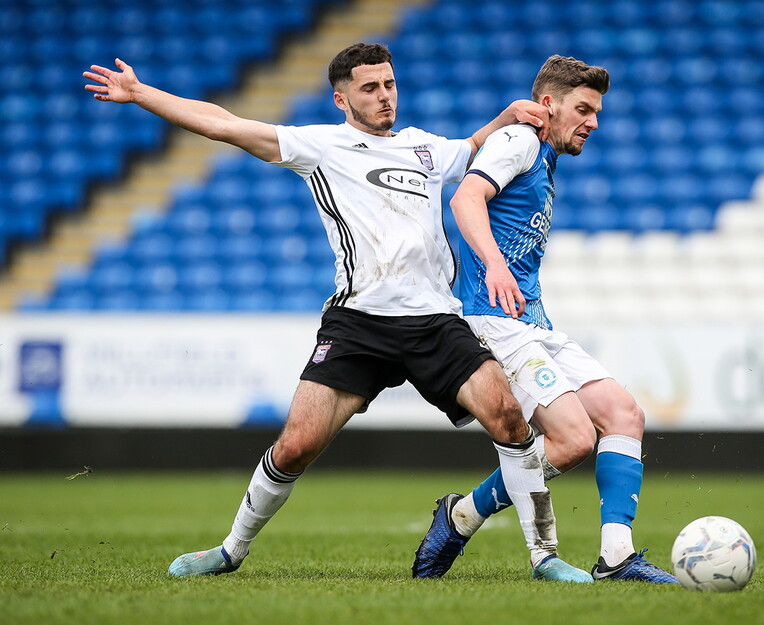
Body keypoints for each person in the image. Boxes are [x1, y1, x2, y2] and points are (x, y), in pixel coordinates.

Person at [84, 43, 593, 582]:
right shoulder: (320, 145)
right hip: (360, 323)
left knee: (510, 420)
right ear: (341, 98)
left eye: (390, 85)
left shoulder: (422, 147)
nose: (384, 97)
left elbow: (471, 151)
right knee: (296, 445)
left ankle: (544, 558)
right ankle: (231, 549)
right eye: (370, 88)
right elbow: (223, 125)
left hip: (434, 321)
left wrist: (506, 117)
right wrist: (141, 94)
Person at [411, 55, 678, 583]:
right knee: (575, 438)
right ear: (547, 105)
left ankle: (616, 556)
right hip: (494, 321)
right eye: (584, 109)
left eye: (597, 112)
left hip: (534, 322)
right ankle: (473, 521)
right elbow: (466, 197)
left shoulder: (545, 155)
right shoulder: (520, 142)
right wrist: (493, 265)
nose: (594, 123)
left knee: (625, 416)